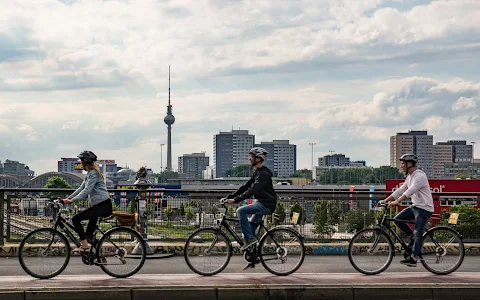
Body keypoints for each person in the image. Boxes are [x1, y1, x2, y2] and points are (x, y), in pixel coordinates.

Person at [379, 153, 434, 267]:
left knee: (418, 231)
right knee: (397, 219)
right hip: (416, 206)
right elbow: (400, 190)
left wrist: (396, 201)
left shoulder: (419, 176)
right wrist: (386, 200)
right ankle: (413, 239)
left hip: (424, 208)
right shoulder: (410, 177)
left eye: (403, 163)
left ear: (409, 164)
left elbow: (410, 191)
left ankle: (414, 258)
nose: (401, 166)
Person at [226, 147, 277, 252]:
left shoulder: (263, 174)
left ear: (258, 159)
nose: (249, 159)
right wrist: (231, 196)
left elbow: (253, 190)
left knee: (240, 211)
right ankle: (253, 255)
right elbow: (246, 186)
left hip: (266, 204)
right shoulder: (257, 172)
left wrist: (236, 200)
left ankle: (249, 240)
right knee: (250, 228)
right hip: (261, 202)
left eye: (252, 157)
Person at [63, 150, 112, 253]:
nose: (81, 163)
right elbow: (81, 188)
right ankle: (98, 252)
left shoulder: (93, 174)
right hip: (99, 205)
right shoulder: (90, 174)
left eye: (81, 161)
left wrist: (72, 200)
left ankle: (85, 247)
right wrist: (68, 198)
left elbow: (87, 190)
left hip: (102, 206)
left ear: (85, 162)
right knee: (88, 235)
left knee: (76, 219)